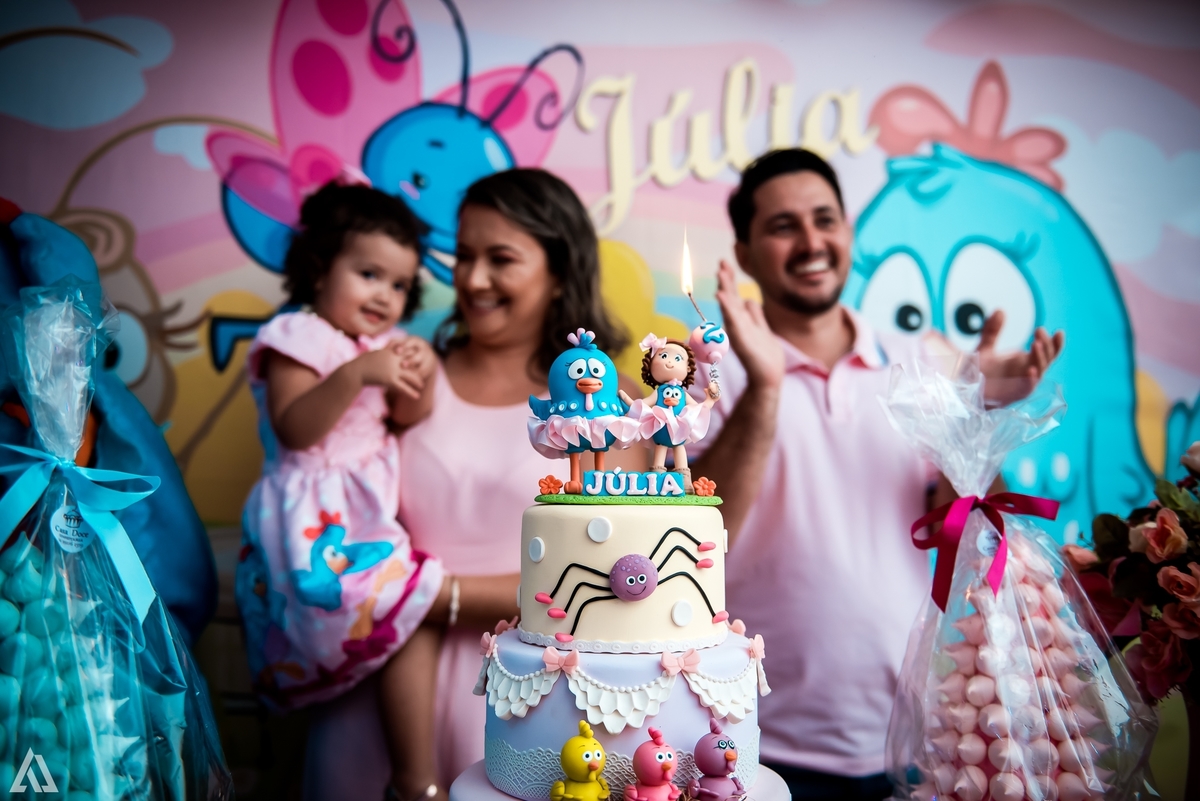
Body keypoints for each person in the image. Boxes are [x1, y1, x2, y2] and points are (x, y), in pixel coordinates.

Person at [689, 149, 1063, 801]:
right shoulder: (707, 369)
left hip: (909, 735)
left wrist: (976, 414)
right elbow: (698, 537)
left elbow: (960, 520)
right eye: (782, 226)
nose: (810, 241)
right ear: (744, 254)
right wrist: (765, 387)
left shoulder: (916, 366)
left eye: (824, 219)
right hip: (746, 737)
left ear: (848, 233)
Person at [302, 168, 641, 799]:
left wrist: (436, 597)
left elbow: (610, 578)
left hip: (526, 696)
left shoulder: (608, 410)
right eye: (464, 256)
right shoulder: (405, 372)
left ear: (561, 270)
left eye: (501, 259)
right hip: (376, 692)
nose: (473, 279)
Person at [236, 181, 449, 801]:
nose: (385, 295)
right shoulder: (298, 336)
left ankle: (404, 772)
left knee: (402, 613)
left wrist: (423, 377)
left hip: (364, 511)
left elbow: (406, 419)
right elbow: (296, 428)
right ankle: (414, 780)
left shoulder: (380, 348)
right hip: (313, 519)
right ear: (318, 268)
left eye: (400, 284)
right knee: (411, 606)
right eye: (368, 273)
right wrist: (356, 374)